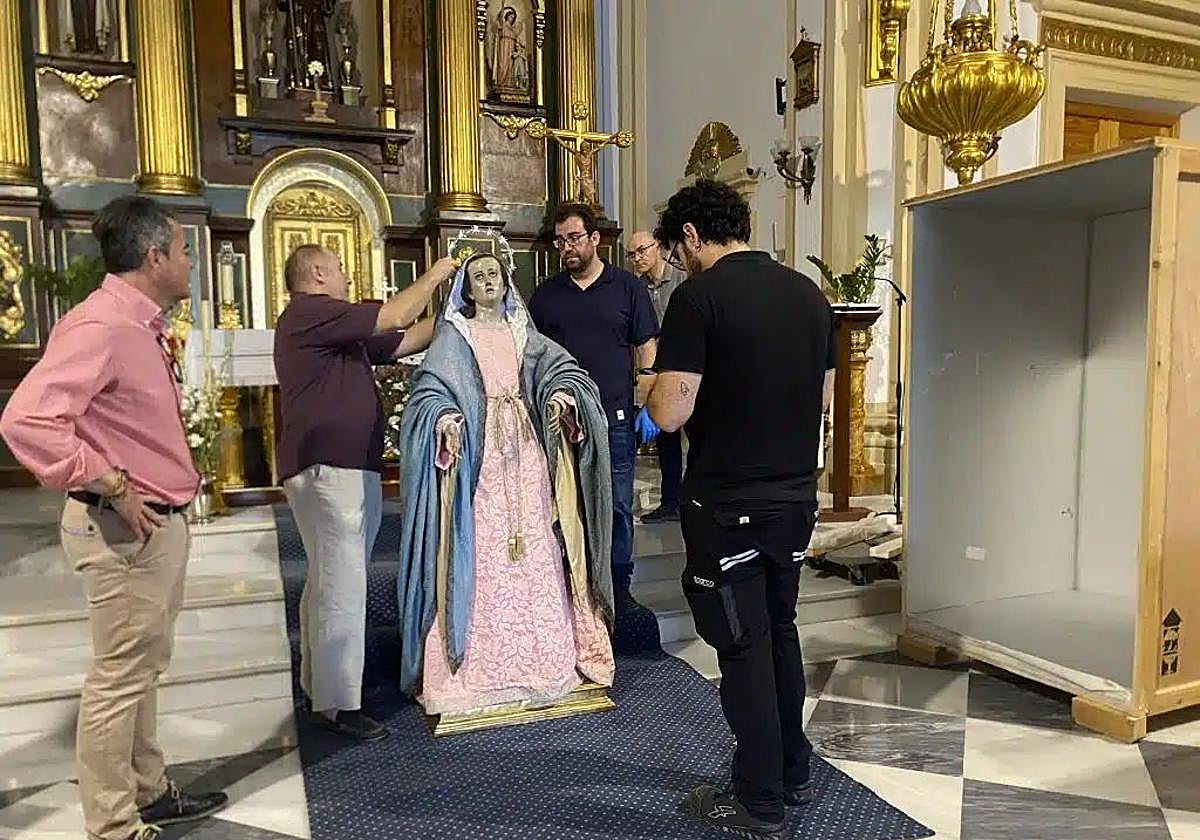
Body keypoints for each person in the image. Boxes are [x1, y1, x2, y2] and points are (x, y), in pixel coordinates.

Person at [0, 196, 228, 840]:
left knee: (141, 668)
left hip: (152, 525)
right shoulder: (101, 326)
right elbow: (26, 421)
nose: (190, 263)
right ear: (155, 257)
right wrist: (112, 482)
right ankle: (113, 823)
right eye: (183, 252)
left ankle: (147, 790)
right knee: (118, 678)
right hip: (123, 528)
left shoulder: (137, 324)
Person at [645, 180, 836, 840]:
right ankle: (793, 769)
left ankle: (760, 799)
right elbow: (827, 401)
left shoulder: (699, 299)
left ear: (694, 236)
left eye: (678, 248)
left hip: (728, 503)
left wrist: (649, 384)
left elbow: (670, 412)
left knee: (744, 648)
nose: (679, 260)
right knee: (779, 631)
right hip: (793, 498)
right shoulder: (810, 295)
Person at [396, 244, 615, 714]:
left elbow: (561, 372)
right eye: (479, 276)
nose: (489, 282)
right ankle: (478, 667)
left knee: (536, 541)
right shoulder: (455, 334)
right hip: (480, 456)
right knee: (482, 547)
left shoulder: (524, 332)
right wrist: (446, 419)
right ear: (466, 287)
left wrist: (560, 398)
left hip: (527, 453)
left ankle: (543, 659)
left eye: (495, 273)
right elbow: (431, 391)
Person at [274, 243, 456, 741]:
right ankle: (338, 705)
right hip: (331, 467)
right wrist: (440, 271)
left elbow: (404, 338)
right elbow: (397, 312)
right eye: (340, 271)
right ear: (316, 273)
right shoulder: (312, 312)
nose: (348, 279)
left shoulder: (334, 330)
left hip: (338, 466)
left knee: (329, 580)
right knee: (344, 582)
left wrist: (458, 309)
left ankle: (321, 690)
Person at [528, 203, 658, 599]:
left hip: (614, 416)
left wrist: (645, 401)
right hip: (562, 419)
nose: (566, 247)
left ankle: (618, 584)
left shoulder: (626, 287)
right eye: (560, 241)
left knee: (616, 505)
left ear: (595, 239)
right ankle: (570, 582)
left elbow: (646, 346)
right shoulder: (547, 295)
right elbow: (532, 355)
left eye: (574, 238)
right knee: (567, 503)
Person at [626, 230, 687, 523]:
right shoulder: (634, 288)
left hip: (686, 371)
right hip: (655, 374)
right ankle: (670, 502)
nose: (637, 258)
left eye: (641, 251)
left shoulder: (682, 281)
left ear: (658, 248)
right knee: (667, 441)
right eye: (632, 254)